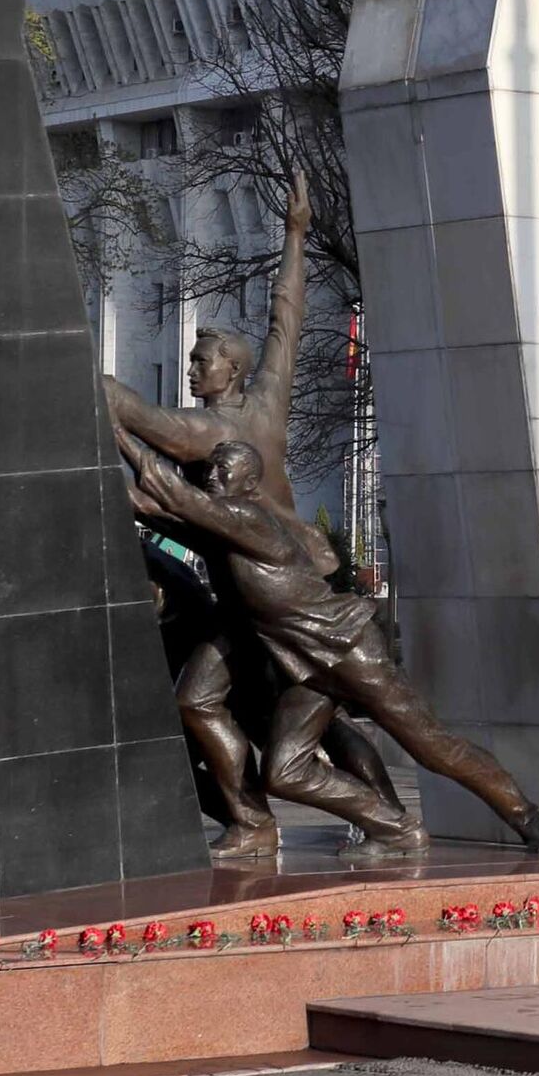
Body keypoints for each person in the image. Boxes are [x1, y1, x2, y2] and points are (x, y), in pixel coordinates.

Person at [104, 170, 401, 856]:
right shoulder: (266, 403)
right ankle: (346, 817)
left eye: (201, 362)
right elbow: (285, 320)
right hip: (268, 593)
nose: (192, 370)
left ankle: (276, 820)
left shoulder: (208, 432)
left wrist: (89, 383)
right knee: (308, 716)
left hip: (270, 599)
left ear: (229, 372)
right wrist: (295, 233)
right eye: (191, 361)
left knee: (228, 705)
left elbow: (138, 417)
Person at [117, 430, 539, 856]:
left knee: (432, 746)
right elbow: (157, 508)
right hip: (309, 667)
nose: (212, 475)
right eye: (211, 468)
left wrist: (114, 431)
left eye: (223, 469)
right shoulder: (225, 529)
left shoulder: (247, 517)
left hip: (349, 648)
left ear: (249, 483)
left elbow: (175, 496)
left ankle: (527, 817)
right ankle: (397, 830)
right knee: (284, 771)